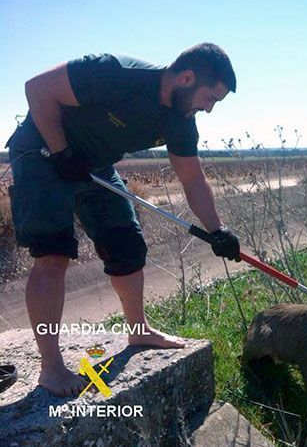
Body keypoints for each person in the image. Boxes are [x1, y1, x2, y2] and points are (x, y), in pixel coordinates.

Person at [6, 43, 241, 397]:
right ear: (187, 78)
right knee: (52, 253)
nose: (208, 109)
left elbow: (193, 180)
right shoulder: (116, 73)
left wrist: (217, 230)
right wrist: (61, 151)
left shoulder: (180, 122)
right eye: (209, 98)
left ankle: (138, 329)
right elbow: (36, 89)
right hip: (42, 151)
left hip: (94, 166)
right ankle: (51, 368)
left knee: (127, 247)